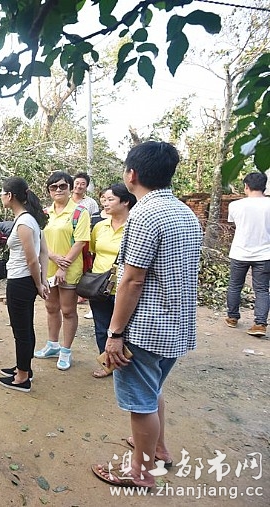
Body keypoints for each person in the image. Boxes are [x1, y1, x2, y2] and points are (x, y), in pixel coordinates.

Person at [91, 141, 202, 489]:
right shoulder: (185, 212)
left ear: (132, 174)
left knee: (140, 403)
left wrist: (114, 333)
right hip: (176, 324)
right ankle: (159, 449)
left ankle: (140, 472)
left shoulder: (144, 214)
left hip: (147, 327)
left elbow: (132, 279)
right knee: (152, 391)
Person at [0, 177, 50, 392]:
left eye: (2, 193)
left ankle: (22, 378)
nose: (1, 197)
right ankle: (23, 367)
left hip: (21, 280)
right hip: (26, 280)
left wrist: (39, 284)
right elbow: (43, 252)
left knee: (21, 330)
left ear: (10, 196)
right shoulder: (31, 219)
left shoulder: (24, 223)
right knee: (26, 326)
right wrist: (41, 281)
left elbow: (33, 259)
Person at [34, 171, 90, 370]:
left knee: (68, 310)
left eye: (62, 186)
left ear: (70, 188)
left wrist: (62, 266)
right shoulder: (44, 214)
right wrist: (52, 257)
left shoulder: (79, 212)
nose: (58, 190)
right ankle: (52, 344)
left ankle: (66, 350)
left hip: (69, 270)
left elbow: (81, 241)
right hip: (48, 268)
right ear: (49, 191)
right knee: (51, 307)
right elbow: (38, 239)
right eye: (53, 187)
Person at [88, 184, 136, 378]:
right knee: (101, 327)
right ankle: (107, 364)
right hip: (100, 287)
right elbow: (92, 252)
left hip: (124, 288)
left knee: (124, 330)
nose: (105, 203)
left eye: (110, 199)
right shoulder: (100, 227)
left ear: (125, 202)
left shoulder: (135, 226)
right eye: (104, 200)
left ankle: (127, 366)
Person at [225, 172, 270, 337]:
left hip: (240, 252)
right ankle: (260, 324)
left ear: (246, 186)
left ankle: (232, 317)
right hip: (265, 253)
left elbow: (235, 225)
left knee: (235, 285)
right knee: (262, 289)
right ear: (264, 186)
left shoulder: (235, 205)